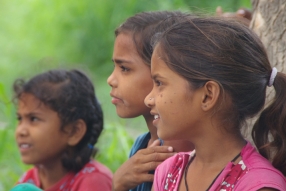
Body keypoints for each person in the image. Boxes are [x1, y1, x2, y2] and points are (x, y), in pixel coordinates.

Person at [144, 16, 286, 190]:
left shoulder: (257, 186)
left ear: (208, 95)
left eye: (159, 83)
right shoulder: (167, 173)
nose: (148, 99)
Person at [107, 11, 195, 191]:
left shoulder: (180, 151)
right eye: (114, 66)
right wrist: (118, 184)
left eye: (124, 68)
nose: (111, 79)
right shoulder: (142, 144)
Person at [14, 69, 113, 190]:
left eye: (34, 119)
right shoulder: (27, 182)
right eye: (20, 118)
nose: (21, 131)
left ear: (74, 132)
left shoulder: (94, 181)